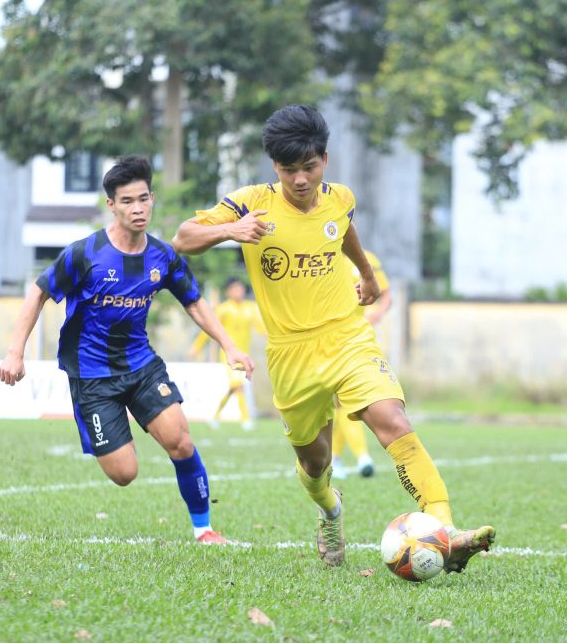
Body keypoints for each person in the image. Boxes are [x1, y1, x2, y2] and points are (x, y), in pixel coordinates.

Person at [172, 105, 495, 571]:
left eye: (309, 167)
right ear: (274, 168)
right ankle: (330, 511)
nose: (300, 179)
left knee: (392, 420)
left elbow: (344, 230)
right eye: (288, 170)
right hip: (290, 354)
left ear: (324, 159)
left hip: (346, 336)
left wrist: (368, 274)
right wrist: (230, 230)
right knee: (315, 462)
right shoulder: (250, 201)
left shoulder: (340, 197)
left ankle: (445, 528)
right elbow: (183, 237)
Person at [0, 154, 253, 545]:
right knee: (124, 473)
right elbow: (38, 292)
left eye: (144, 199)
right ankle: (111, 424)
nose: (138, 209)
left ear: (152, 198)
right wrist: (15, 352)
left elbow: (195, 303)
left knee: (181, 440)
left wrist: (230, 346)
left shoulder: (163, 256)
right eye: (128, 201)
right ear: (112, 205)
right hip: (92, 375)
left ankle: (204, 530)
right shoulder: (84, 254)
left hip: (141, 365)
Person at [330, 249, 389, 479]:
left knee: (343, 402)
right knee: (341, 402)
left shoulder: (367, 259)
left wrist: (377, 313)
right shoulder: (320, 255)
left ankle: (340, 458)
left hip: (359, 339)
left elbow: (386, 292)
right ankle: (358, 456)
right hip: (330, 339)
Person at [188, 277, 267, 430]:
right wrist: (197, 346)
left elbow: (261, 327)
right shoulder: (223, 309)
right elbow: (210, 328)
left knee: (234, 387)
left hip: (245, 354)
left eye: (241, 288)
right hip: (228, 355)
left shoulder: (250, 308)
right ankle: (246, 420)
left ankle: (215, 416)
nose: (239, 291)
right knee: (238, 385)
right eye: (235, 289)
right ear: (228, 292)